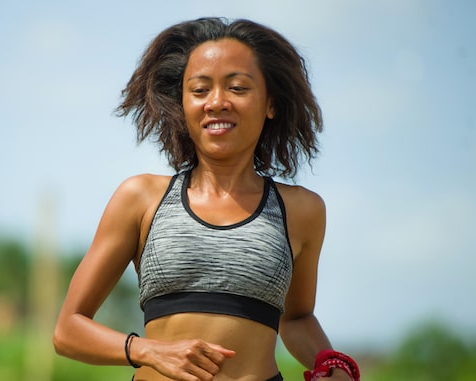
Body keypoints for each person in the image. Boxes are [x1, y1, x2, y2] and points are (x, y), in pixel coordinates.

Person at [53, 17, 360, 381]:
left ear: (271, 104)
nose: (217, 102)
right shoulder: (140, 198)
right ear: (182, 105)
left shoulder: (301, 210)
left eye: (237, 88)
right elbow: (68, 330)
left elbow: (296, 318)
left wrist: (331, 364)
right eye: (199, 90)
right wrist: (148, 350)